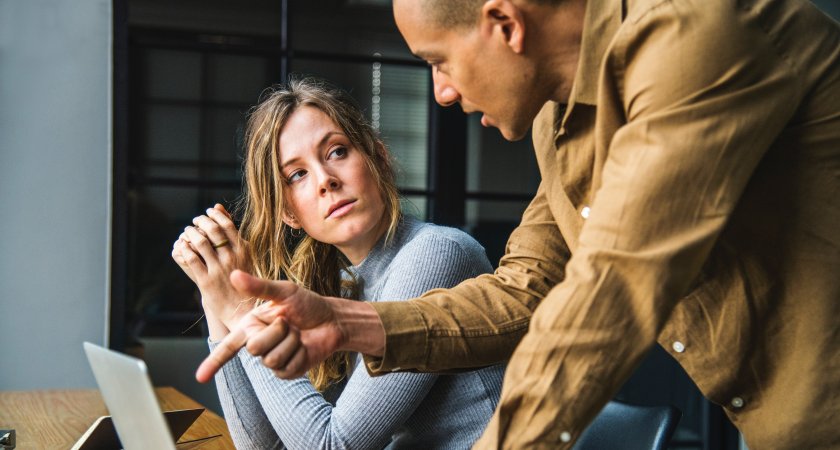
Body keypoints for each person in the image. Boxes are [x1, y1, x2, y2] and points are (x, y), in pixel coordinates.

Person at [199, 0, 840, 448]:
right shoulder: (556, 122)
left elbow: (610, 294)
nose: (442, 92)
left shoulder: (694, 39)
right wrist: (342, 323)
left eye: (438, 60)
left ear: (504, 23)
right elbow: (524, 291)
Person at [174, 77, 506, 449]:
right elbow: (263, 446)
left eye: (336, 152)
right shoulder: (340, 281)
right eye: (297, 174)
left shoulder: (436, 254)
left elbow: (332, 446)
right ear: (288, 213)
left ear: (378, 158)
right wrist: (215, 289)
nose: (325, 181)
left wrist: (242, 312)